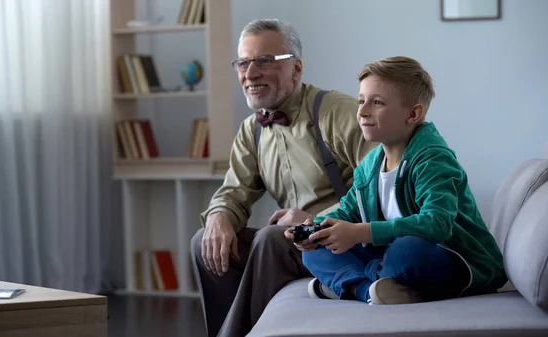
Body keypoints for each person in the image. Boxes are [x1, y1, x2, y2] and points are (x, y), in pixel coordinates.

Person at [190, 19, 377, 337]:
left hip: (345, 242)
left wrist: (315, 219)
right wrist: (219, 216)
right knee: (204, 241)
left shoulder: (337, 114)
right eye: (244, 63)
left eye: (264, 61)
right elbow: (234, 190)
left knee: (272, 239)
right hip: (295, 243)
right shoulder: (252, 130)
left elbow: (380, 190)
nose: (250, 74)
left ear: (296, 68)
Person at [285, 56, 507, 305]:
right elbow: (348, 212)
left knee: (406, 251)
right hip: (388, 256)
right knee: (315, 253)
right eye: (361, 101)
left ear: (413, 114)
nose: (362, 111)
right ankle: (372, 289)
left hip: (453, 259)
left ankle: (351, 285)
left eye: (377, 102)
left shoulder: (432, 158)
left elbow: (437, 224)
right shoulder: (369, 166)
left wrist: (361, 232)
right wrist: (314, 230)